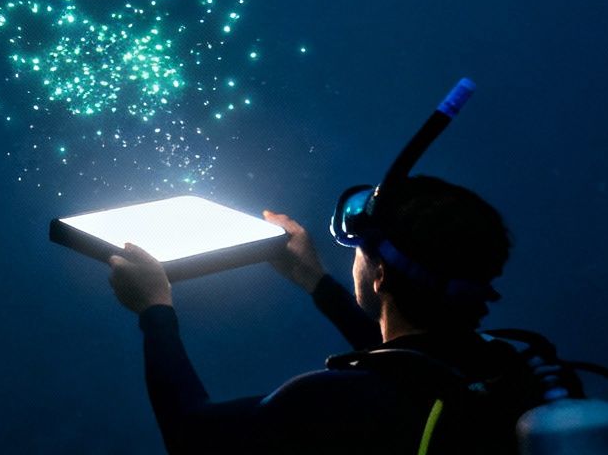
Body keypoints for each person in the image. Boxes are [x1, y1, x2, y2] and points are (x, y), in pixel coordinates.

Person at [108, 175, 535, 454]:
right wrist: (317, 282)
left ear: (380, 274)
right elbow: (416, 366)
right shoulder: (510, 371)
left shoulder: (332, 403)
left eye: (359, 252)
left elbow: (193, 437)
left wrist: (154, 309)